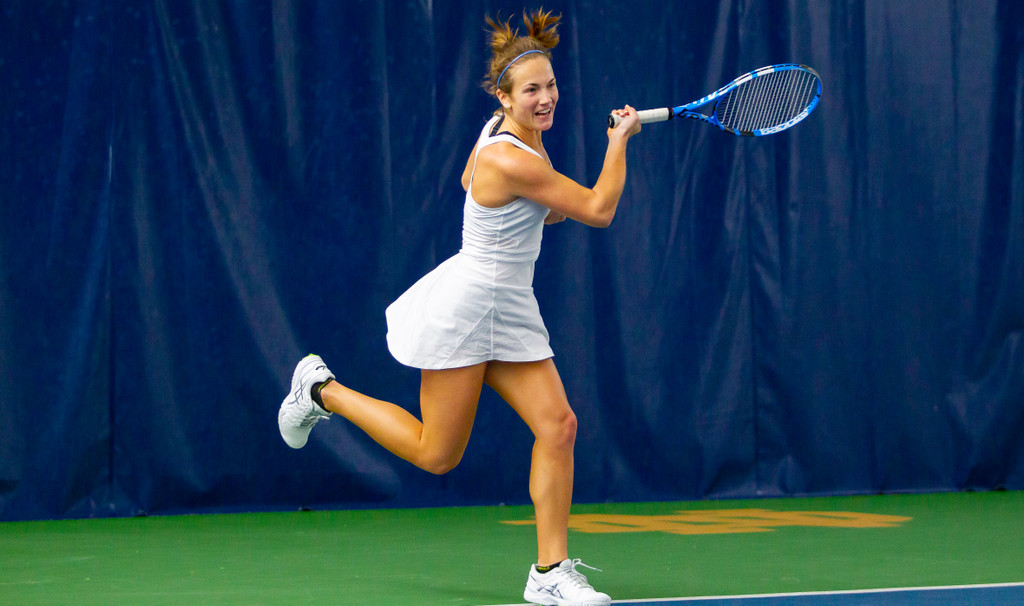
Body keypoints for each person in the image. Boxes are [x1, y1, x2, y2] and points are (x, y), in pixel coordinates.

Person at [278, 9, 640, 606]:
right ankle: (320, 390)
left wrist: (541, 201)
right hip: (471, 305)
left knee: (559, 426)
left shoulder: (505, 135)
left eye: (551, 85)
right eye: (532, 90)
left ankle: (549, 572)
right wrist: (618, 142)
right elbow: (599, 208)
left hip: (510, 303)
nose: (546, 98)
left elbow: (488, 190)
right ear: (505, 95)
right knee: (436, 454)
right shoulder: (510, 155)